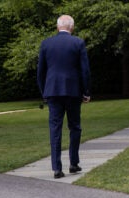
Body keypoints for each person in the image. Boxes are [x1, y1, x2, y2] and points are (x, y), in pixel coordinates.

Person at [37, 15, 91, 179]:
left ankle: (56, 168)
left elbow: (41, 71)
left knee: (55, 129)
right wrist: (86, 91)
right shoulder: (78, 43)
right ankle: (73, 164)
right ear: (72, 27)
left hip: (53, 91)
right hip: (73, 91)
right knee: (75, 127)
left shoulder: (46, 43)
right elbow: (85, 71)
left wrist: (43, 92)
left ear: (57, 26)